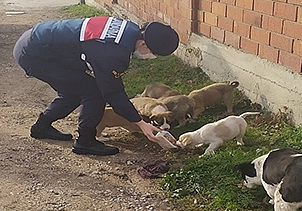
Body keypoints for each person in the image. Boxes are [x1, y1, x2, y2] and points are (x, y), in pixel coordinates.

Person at [13, 16, 180, 156]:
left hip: (37, 40)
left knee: (74, 91)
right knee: (94, 92)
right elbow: (113, 92)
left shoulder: (130, 30)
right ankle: (85, 141)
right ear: (143, 44)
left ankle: (41, 127)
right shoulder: (114, 53)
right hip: (34, 54)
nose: (152, 57)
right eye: (154, 53)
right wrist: (140, 123)